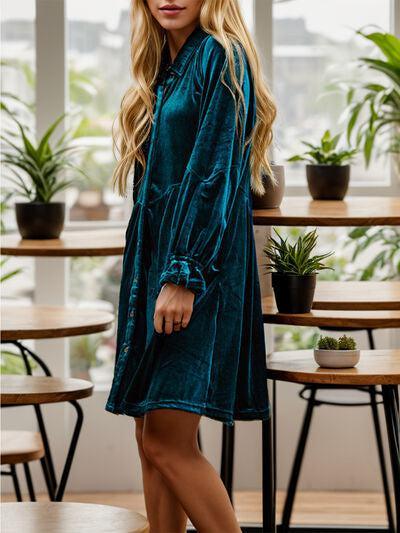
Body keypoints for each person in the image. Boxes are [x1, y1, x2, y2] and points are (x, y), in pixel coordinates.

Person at [105, 1, 277, 531]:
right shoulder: (168, 67)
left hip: (194, 275)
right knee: (149, 433)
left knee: (166, 440)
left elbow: (215, 175)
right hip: (158, 271)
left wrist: (184, 273)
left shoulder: (220, 57)